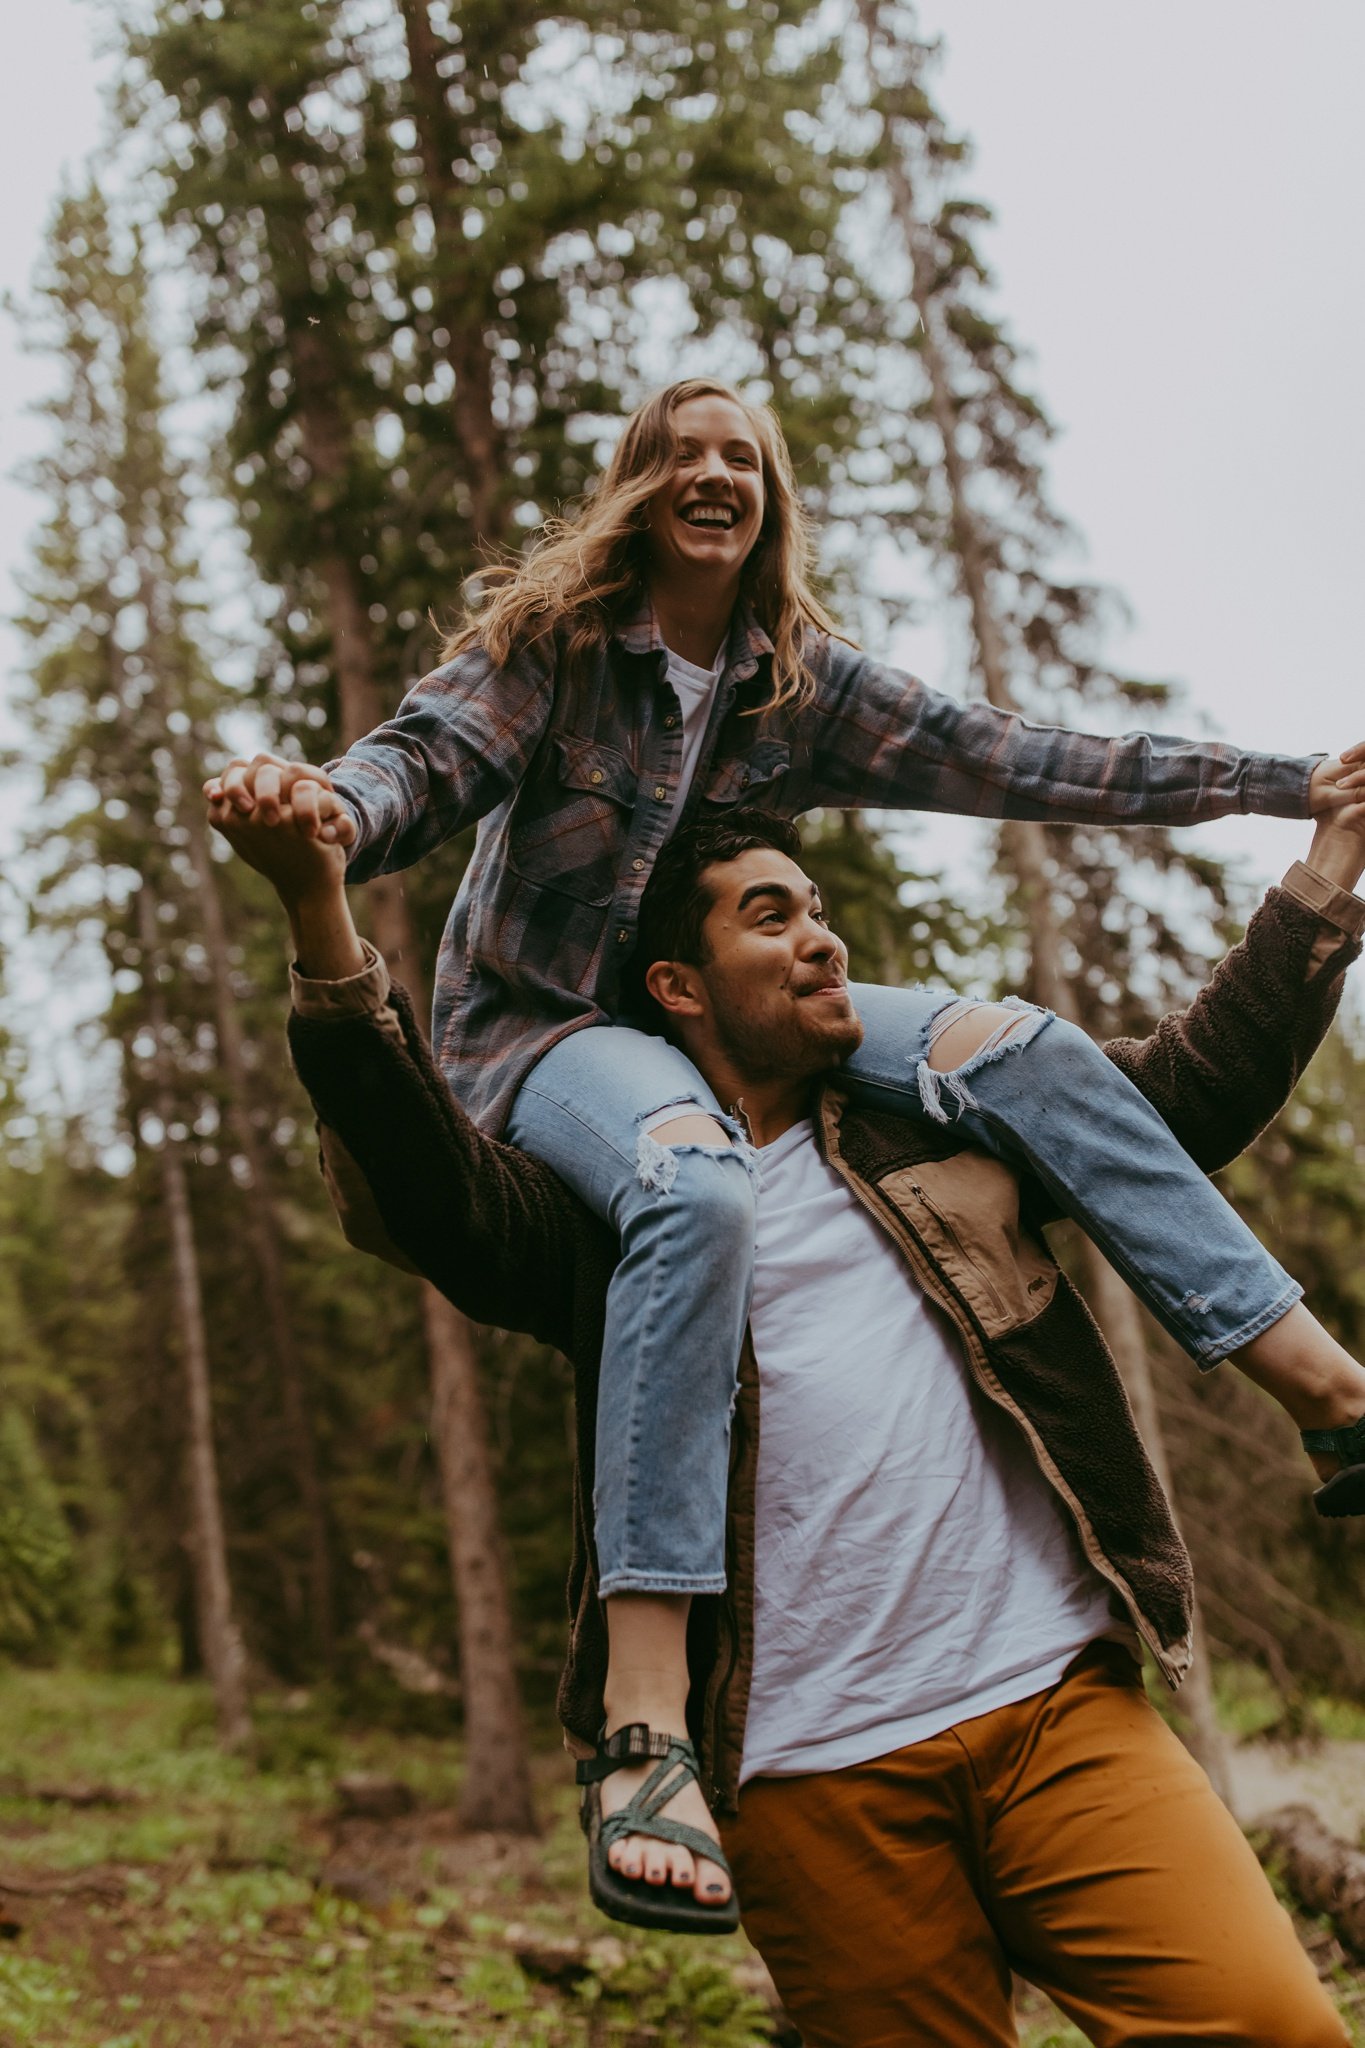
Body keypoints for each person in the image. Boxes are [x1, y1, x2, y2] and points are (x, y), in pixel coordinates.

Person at [205, 377, 1365, 1925]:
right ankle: (641, 1718)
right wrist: (325, 823)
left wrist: (1292, 792)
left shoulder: (799, 688)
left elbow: (1022, 758)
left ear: (771, 502)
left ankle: (1332, 1397)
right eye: (681, 454)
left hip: (713, 1010)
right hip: (555, 1042)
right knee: (692, 1178)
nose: (713, 474)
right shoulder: (552, 655)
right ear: (637, 490)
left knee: (1026, 1053)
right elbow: (417, 762)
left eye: (741, 458)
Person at [239, 793, 1365, 2047]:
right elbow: (430, 1190)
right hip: (808, 1775)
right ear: (678, 983)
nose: (821, 938)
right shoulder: (612, 1220)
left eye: (818, 909)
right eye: (769, 918)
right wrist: (317, 908)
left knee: (1277, 2029)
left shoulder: (941, 1134)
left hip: (1058, 1708)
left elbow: (1182, 1102)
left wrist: (1327, 873)